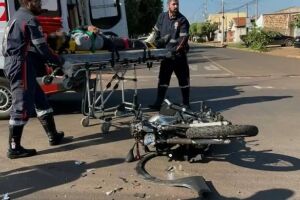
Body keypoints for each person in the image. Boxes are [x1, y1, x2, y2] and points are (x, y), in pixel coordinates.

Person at [2, 0, 64, 159]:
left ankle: (53, 135)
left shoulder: (17, 16)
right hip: (20, 63)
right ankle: (14, 148)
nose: (40, 5)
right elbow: (41, 47)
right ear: (28, 2)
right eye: (37, 2)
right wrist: (58, 61)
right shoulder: (29, 19)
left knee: (40, 99)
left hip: (19, 62)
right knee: (21, 105)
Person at [148, 0, 190, 110]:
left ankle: (186, 104)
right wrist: (150, 45)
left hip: (179, 57)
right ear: (168, 5)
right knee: (163, 80)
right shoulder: (161, 17)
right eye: (173, 4)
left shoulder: (182, 20)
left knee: (183, 81)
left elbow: (183, 40)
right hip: (166, 56)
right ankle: (158, 103)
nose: (176, 6)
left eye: (177, 4)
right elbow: (155, 33)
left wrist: (175, 51)